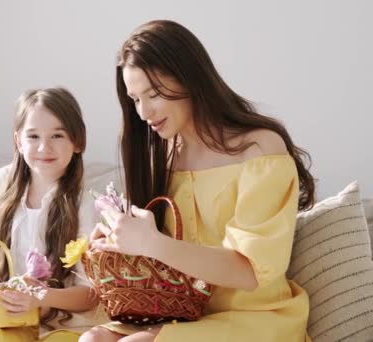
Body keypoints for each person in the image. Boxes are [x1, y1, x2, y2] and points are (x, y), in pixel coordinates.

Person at [79, 20, 315, 342]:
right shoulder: (162, 154)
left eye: (154, 93)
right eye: (135, 99)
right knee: (91, 339)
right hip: (180, 315)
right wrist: (119, 241)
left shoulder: (259, 150)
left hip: (254, 318)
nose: (144, 111)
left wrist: (153, 243)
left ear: (190, 78)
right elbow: (160, 264)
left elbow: (248, 271)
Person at [0, 87, 106, 341]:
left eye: (57, 135)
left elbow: (92, 295)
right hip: (15, 323)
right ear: (18, 142)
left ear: (78, 141)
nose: (44, 147)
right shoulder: (4, 204)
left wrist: (40, 296)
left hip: (65, 326)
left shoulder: (86, 206)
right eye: (33, 136)